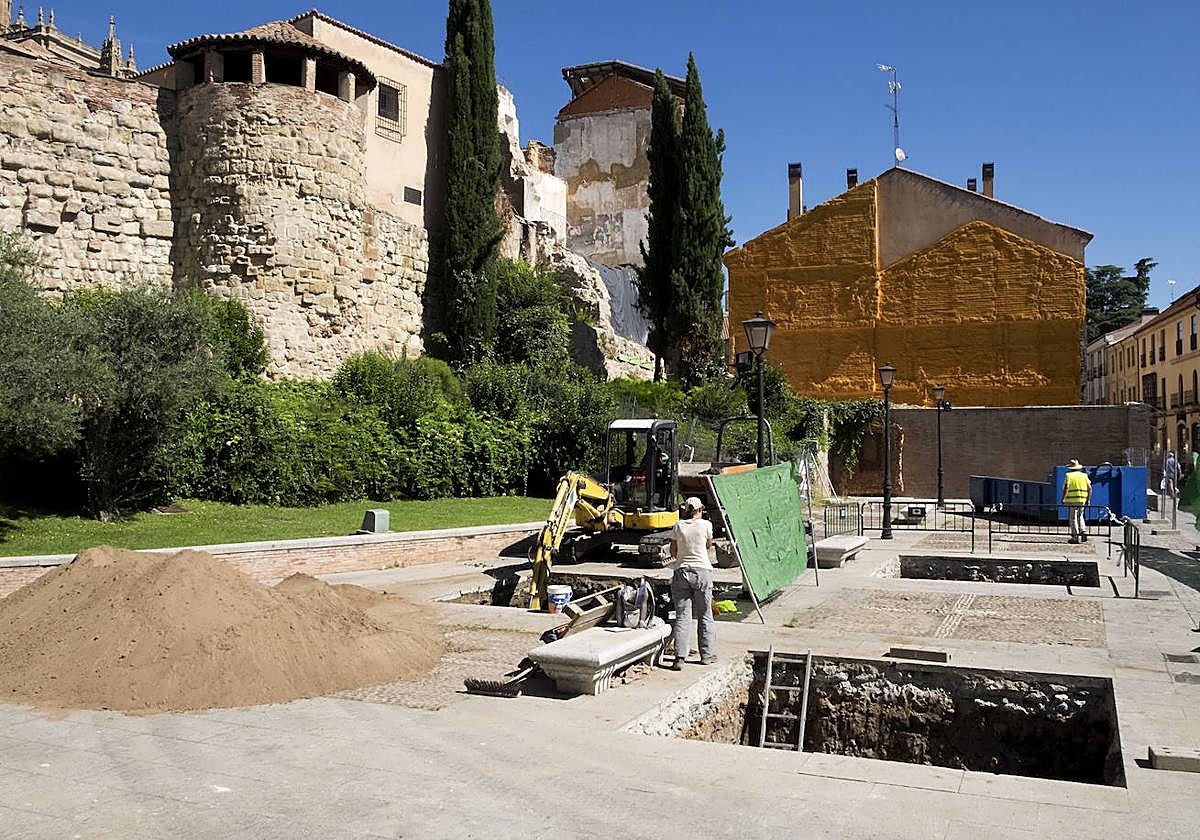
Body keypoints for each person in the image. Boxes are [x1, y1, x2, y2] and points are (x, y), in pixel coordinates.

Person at [667, 496, 715, 670]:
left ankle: (679, 658)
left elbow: (673, 551)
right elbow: (708, 546)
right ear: (700, 510)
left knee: (682, 616)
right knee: (705, 614)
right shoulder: (706, 525)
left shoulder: (678, 526)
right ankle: (707, 655)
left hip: (681, 572)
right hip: (702, 572)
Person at [1061, 459, 1092, 544]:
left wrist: (1063, 498)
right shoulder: (1084, 475)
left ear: (1070, 468)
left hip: (1072, 500)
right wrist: (1088, 500)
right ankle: (1083, 530)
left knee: (1073, 518)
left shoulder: (1068, 475)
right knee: (1080, 516)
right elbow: (1090, 488)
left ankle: (1075, 537)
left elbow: (1067, 487)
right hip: (1082, 500)